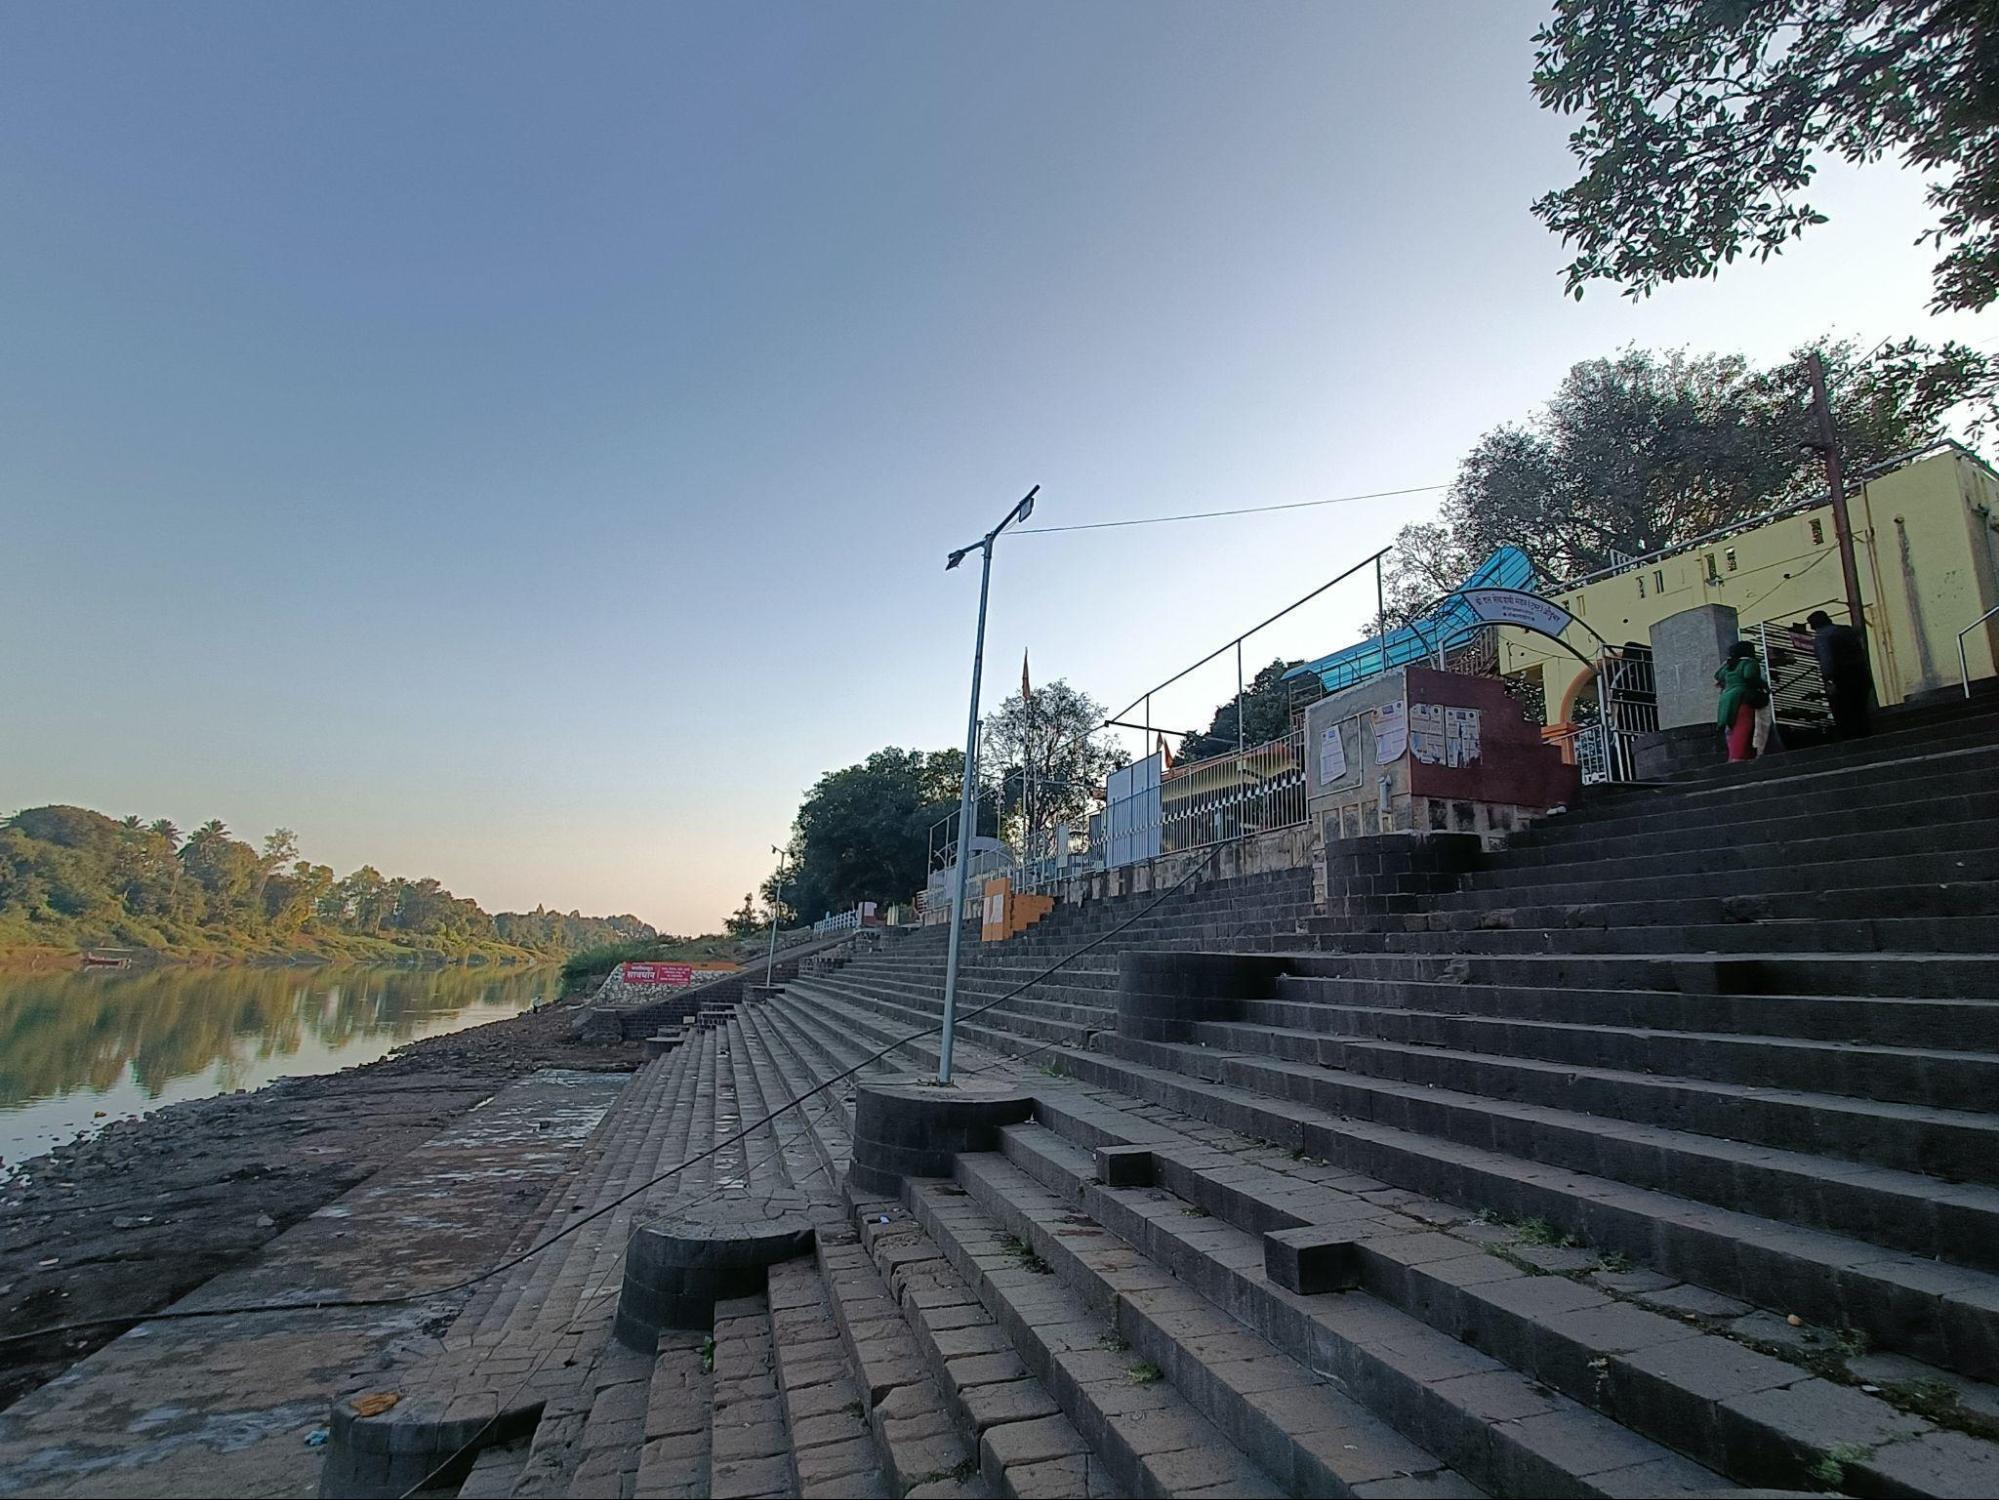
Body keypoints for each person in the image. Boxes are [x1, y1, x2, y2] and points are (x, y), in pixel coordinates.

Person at [1807, 609, 1872, 738]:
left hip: (1841, 677)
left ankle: (1851, 738)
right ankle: (1865, 733)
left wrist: (1828, 680)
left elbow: (1827, 660)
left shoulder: (1822, 637)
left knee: (1844, 710)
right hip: (1861, 674)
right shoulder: (1846, 631)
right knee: (1860, 707)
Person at [1715, 640, 1768, 762]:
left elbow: (1718, 675)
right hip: (1743, 697)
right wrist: (1764, 685)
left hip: (1726, 699)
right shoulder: (1749, 663)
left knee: (1731, 728)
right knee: (1743, 727)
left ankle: (1741, 755)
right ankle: (1737, 757)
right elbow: (1749, 675)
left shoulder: (1729, 665)